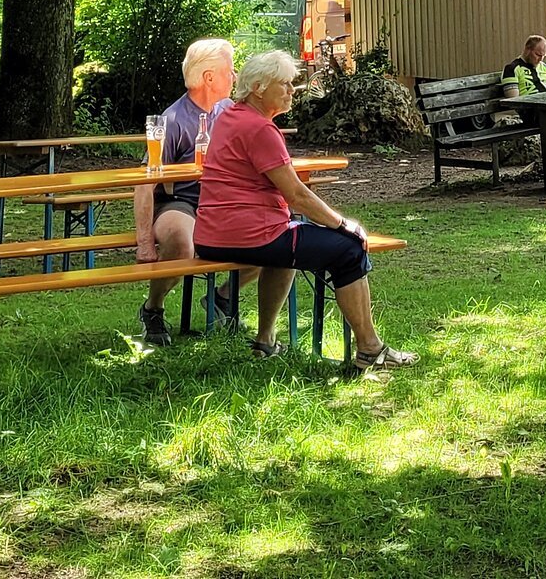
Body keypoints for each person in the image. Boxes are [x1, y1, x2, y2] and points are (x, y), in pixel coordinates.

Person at [195, 50, 419, 369]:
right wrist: (343, 224)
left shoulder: (231, 116)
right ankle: (370, 349)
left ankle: (265, 341)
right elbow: (297, 196)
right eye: (284, 83)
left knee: (290, 242)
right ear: (258, 88)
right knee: (349, 249)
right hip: (249, 235)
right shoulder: (259, 128)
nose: (292, 90)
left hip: (212, 235)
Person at [133, 38, 249, 347]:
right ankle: (153, 308)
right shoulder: (173, 119)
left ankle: (223, 297)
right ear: (209, 77)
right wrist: (144, 242)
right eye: (230, 70)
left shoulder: (230, 110)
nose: (235, 77)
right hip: (180, 202)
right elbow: (145, 183)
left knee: (273, 232)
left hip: (222, 202)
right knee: (181, 240)